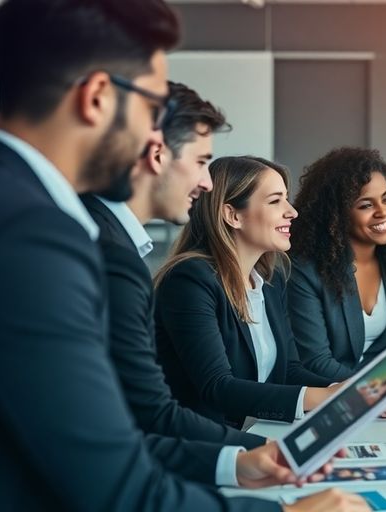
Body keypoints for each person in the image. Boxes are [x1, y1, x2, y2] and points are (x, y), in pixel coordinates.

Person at [0, 1, 364, 510]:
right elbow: (111, 483)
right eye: (152, 107)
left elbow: (94, 438)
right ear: (97, 99)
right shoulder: (31, 236)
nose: (155, 137)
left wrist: (234, 462)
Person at [81, 81, 280, 489]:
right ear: (157, 154)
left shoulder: (109, 238)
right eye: (203, 161)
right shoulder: (113, 256)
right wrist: (260, 450)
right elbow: (148, 411)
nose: (208, 182)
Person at [153, 156, 338, 428]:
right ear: (233, 215)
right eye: (275, 201)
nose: (292, 211)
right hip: (203, 444)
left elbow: (289, 370)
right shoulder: (189, 280)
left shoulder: (269, 281)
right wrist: (323, 397)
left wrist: (344, 389)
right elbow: (218, 387)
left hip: (257, 431)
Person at [287, 147, 386, 382]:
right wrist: (374, 391)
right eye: (365, 205)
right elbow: (315, 362)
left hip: (379, 399)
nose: (383, 212)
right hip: (328, 399)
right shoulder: (305, 271)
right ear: (336, 215)